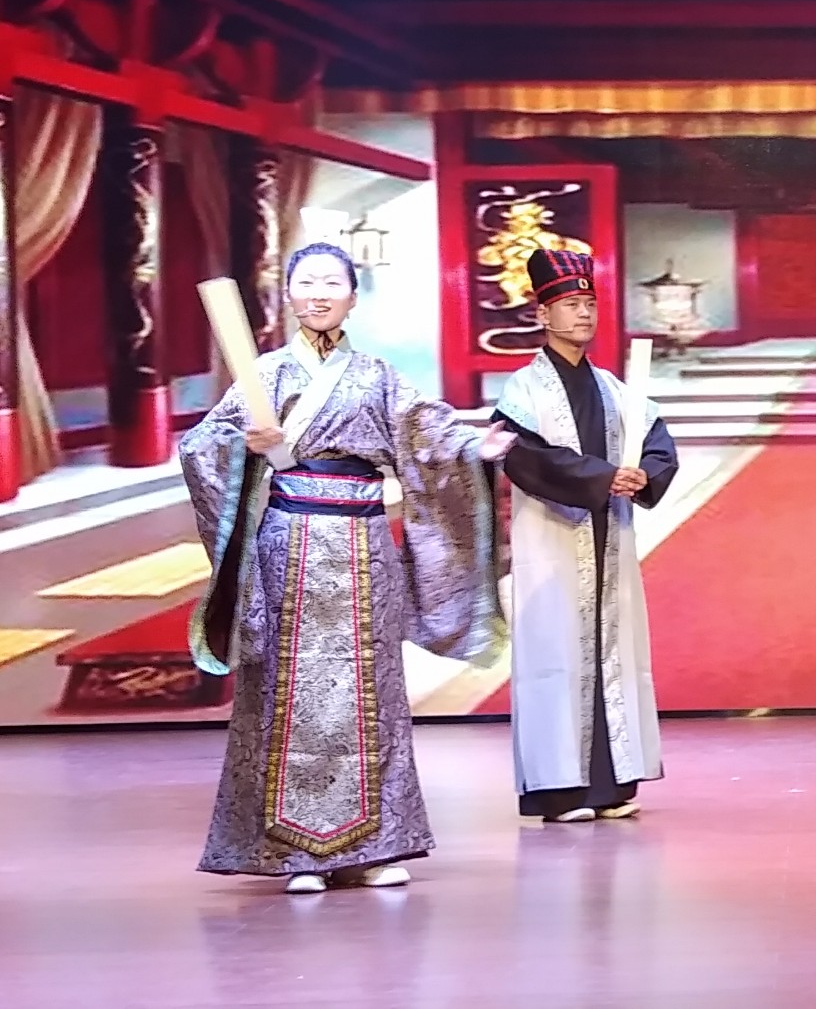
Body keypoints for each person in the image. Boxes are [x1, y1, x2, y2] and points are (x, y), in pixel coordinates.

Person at [180, 242, 515, 894]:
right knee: (287, 695)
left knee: (372, 694)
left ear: (353, 297)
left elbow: (429, 434)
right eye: (306, 282)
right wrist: (244, 445)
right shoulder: (265, 374)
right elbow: (201, 447)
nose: (319, 293)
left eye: (332, 282)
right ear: (289, 294)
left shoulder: (380, 377)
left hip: (364, 545)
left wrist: (475, 447)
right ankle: (293, 854)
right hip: (287, 546)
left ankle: (374, 846)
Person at [490, 249, 678, 823]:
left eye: (589, 304)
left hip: (609, 535)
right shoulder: (523, 390)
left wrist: (643, 475)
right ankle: (559, 792)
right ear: (542, 314)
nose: (583, 314)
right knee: (556, 655)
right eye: (570, 304)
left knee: (614, 653)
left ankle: (612, 785)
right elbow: (524, 457)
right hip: (553, 537)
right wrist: (600, 477)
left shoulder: (616, 389)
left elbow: (658, 444)